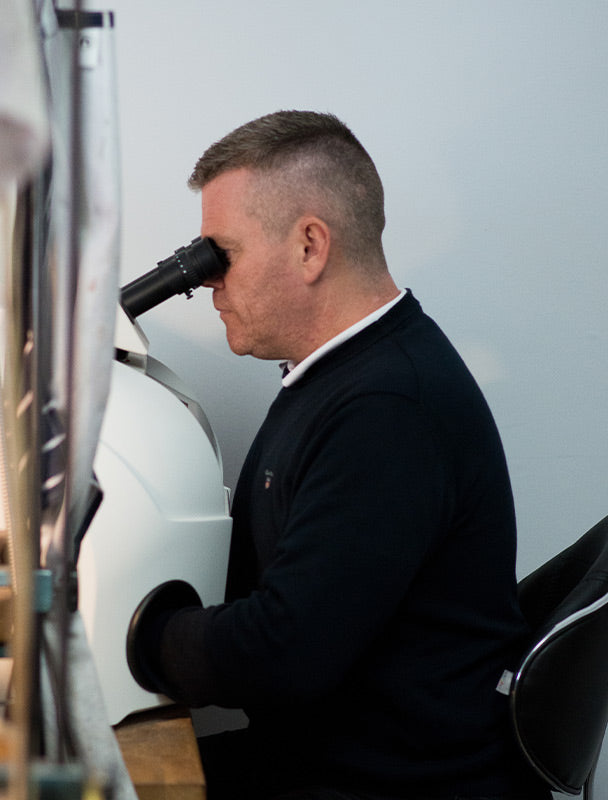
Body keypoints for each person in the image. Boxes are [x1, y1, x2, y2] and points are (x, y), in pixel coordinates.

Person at [127, 110, 550, 800]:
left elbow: (281, 653)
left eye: (221, 254)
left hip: (388, 784)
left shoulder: (388, 409)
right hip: (337, 757)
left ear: (310, 247)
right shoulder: (343, 376)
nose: (208, 282)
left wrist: (130, 632)